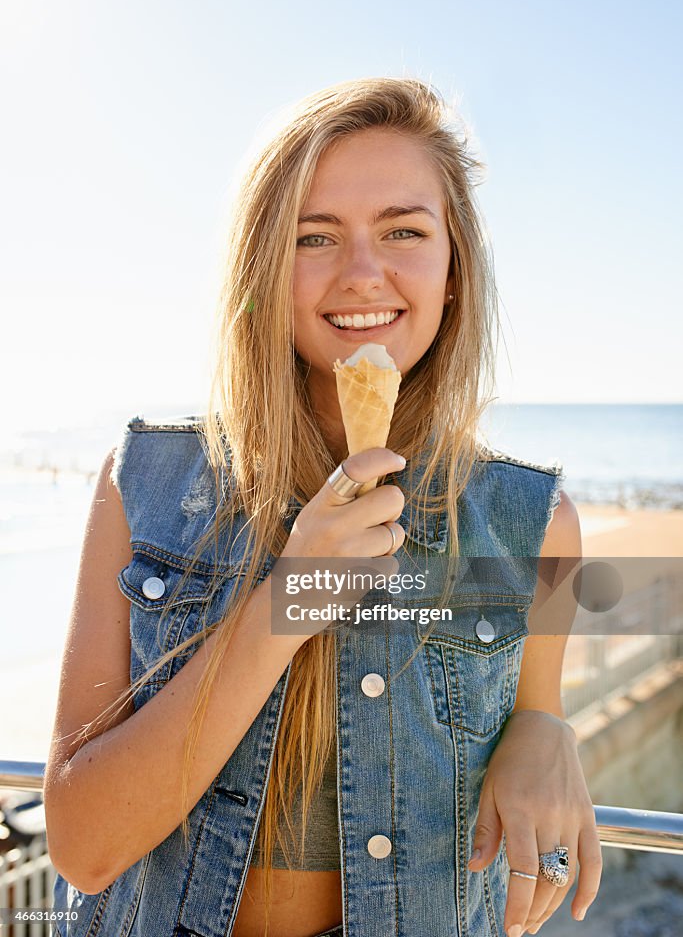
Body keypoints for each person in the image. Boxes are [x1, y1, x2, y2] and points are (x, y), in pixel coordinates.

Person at [45, 78, 602, 937]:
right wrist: (286, 602)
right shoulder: (147, 479)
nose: (362, 272)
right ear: (264, 269)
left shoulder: (537, 520)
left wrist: (544, 732)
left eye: (404, 231)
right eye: (315, 236)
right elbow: (83, 847)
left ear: (453, 271)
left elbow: (540, 704)